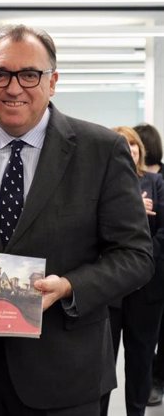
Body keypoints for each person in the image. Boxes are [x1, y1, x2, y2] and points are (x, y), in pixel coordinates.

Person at [0, 24, 153, 415]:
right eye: (0, 74)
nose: (13, 87)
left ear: (52, 82)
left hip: (63, 373)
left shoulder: (101, 150)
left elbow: (136, 255)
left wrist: (70, 286)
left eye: (29, 75)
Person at [100, 126, 164, 416]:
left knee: (140, 361)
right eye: (122, 144)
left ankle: (136, 412)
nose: (129, 149)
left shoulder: (156, 182)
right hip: (110, 290)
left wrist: (141, 257)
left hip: (146, 288)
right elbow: (93, 232)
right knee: (102, 361)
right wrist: (134, 210)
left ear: (140, 150)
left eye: (133, 145)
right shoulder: (102, 185)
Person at [135, 123, 164, 406]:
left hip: (155, 271)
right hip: (128, 281)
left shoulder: (158, 183)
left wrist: (145, 255)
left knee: (150, 339)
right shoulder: (120, 181)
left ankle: (156, 381)